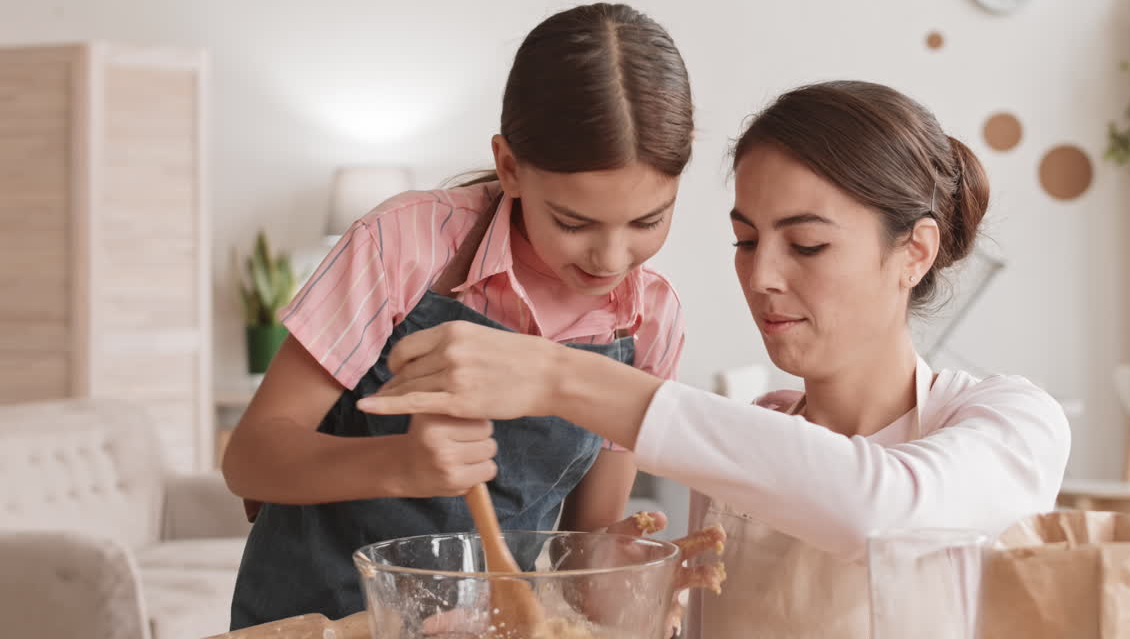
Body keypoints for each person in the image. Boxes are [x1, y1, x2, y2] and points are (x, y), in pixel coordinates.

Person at [359, 80, 1072, 637]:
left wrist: (557, 375)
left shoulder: (1013, 424)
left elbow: (876, 512)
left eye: (807, 244)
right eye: (745, 239)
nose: (761, 276)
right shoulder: (745, 451)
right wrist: (594, 617)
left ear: (913, 251)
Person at [221, 2, 695, 628]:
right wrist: (400, 466)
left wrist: (623, 564)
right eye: (574, 223)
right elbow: (251, 458)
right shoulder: (406, 245)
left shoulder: (646, 321)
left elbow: (587, 541)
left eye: (648, 221)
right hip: (316, 617)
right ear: (509, 167)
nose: (611, 258)